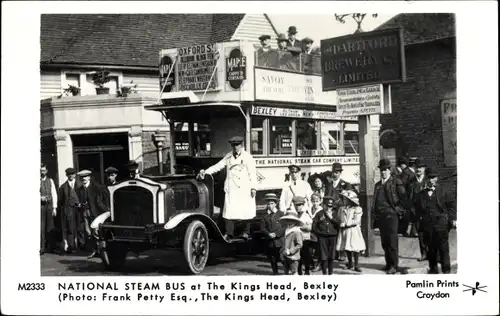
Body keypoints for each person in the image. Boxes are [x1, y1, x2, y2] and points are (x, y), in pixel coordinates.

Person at [198, 136, 257, 240]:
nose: (235, 148)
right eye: (233, 145)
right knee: (229, 210)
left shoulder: (248, 157)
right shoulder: (229, 156)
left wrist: (253, 188)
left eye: (237, 145)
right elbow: (218, 166)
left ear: (241, 145)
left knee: (246, 210)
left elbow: (252, 173)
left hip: (244, 188)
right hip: (231, 188)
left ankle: (246, 232)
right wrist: (205, 172)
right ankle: (229, 233)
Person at [414, 167, 456, 274]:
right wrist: (419, 224)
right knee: (431, 250)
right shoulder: (421, 194)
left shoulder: (443, 191)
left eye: (433, 178)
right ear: (425, 179)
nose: (431, 180)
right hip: (428, 227)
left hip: (441, 225)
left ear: (436, 178)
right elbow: (417, 210)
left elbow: (451, 206)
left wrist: (452, 220)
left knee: (443, 250)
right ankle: (433, 270)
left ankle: (446, 272)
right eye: (429, 178)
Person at [373, 159, 409, 274]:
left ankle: (394, 265)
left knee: (392, 241)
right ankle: (388, 263)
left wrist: (400, 211)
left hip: (392, 216)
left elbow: (404, 198)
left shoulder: (395, 182)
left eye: (385, 170)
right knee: (384, 241)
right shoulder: (378, 185)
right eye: (381, 170)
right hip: (381, 217)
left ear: (389, 170)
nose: (383, 172)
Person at [76, 170, 110, 258]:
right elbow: (79, 200)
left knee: (97, 232)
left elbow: (104, 198)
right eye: (82, 177)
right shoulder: (79, 189)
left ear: (89, 177)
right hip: (85, 213)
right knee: (88, 233)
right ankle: (94, 251)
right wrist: (80, 204)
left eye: (86, 176)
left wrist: (106, 210)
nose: (84, 178)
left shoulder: (96, 187)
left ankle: (101, 251)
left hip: (95, 213)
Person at [325, 162, 353, 261]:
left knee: (342, 233)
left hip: (341, 212)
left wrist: (338, 203)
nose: (335, 174)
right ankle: (334, 253)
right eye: (334, 172)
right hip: (330, 212)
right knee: (332, 233)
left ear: (340, 173)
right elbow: (325, 198)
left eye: (337, 172)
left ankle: (343, 254)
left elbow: (347, 200)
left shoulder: (345, 185)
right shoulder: (328, 185)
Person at [337, 190, 366, 272]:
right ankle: (350, 263)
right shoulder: (342, 209)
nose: (344, 200)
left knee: (355, 247)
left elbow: (356, 221)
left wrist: (347, 224)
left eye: (345, 199)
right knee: (347, 247)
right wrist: (341, 223)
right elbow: (339, 218)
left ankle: (356, 264)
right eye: (343, 199)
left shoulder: (357, 209)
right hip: (345, 231)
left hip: (353, 230)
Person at [256, 193, 285, 275]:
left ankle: (287, 272)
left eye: (272, 203)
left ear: (276, 204)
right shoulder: (264, 216)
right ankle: (275, 273)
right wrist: (268, 234)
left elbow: (284, 227)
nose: (270, 205)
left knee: (282, 258)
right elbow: (262, 228)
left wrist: (276, 234)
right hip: (270, 242)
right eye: (268, 203)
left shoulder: (281, 214)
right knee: (272, 259)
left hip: (280, 241)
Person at [312, 196, 341, 275]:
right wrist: (319, 232)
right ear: (323, 205)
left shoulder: (334, 213)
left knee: (331, 256)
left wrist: (331, 218)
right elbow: (313, 227)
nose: (329, 208)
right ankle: (324, 273)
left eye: (331, 206)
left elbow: (339, 224)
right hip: (322, 237)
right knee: (323, 256)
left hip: (332, 236)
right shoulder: (319, 214)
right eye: (327, 205)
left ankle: (330, 273)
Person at [408, 161, 430, 260]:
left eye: (421, 167)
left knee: (430, 233)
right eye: (417, 167)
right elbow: (409, 198)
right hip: (417, 213)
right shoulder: (412, 182)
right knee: (421, 234)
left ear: (424, 168)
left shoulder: (428, 180)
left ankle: (433, 254)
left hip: (429, 212)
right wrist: (413, 211)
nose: (418, 169)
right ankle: (424, 254)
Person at [57, 167, 80, 253]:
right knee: (70, 227)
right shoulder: (63, 187)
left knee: (79, 228)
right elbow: (60, 201)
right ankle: (70, 246)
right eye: (69, 174)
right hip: (68, 210)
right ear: (67, 175)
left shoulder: (80, 185)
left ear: (75, 175)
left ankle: (82, 246)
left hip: (78, 210)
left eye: (73, 174)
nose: (71, 176)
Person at [40, 163, 58, 255]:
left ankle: (51, 247)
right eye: (40, 170)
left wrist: (54, 207)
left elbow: (54, 193)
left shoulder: (50, 181)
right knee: (41, 226)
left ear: (46, 171)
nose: (42, 172)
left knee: (50, 226)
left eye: (43, 170)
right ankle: (42, 247)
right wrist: (40, 198)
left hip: (49, 206)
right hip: (40, 207)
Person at [279, 210, 304, 275]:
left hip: (293, 256)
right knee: (286, 272)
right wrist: (282, 251)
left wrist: (290, 251)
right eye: (288, 220)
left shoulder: (297, 232)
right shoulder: (286, 230)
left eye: (292, 221)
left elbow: (299, 244)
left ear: (296, 222)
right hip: (285, 255)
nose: (290, 223)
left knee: (294, 272)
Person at [295, 196, 314, 275]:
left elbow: (309, 228)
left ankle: (307, 271)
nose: (298, 207)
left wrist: (300, 226)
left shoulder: (306, 215)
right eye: (296, 205)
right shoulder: (294, 215)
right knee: (297, 256)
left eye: (299, 205)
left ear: (303, 205)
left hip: (305, 238)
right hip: (296, 239)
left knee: (306, 256)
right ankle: (299, 272)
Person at [309, 193, 323, 271]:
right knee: (309, 250)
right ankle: (311, 263)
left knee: (319, 250)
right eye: (313, 201)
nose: (315, 203)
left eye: (317, 201)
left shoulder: (321, 210)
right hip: (310, 233)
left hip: (318, 233)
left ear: (320, 201)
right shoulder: (309, 210)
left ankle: (318, 264)